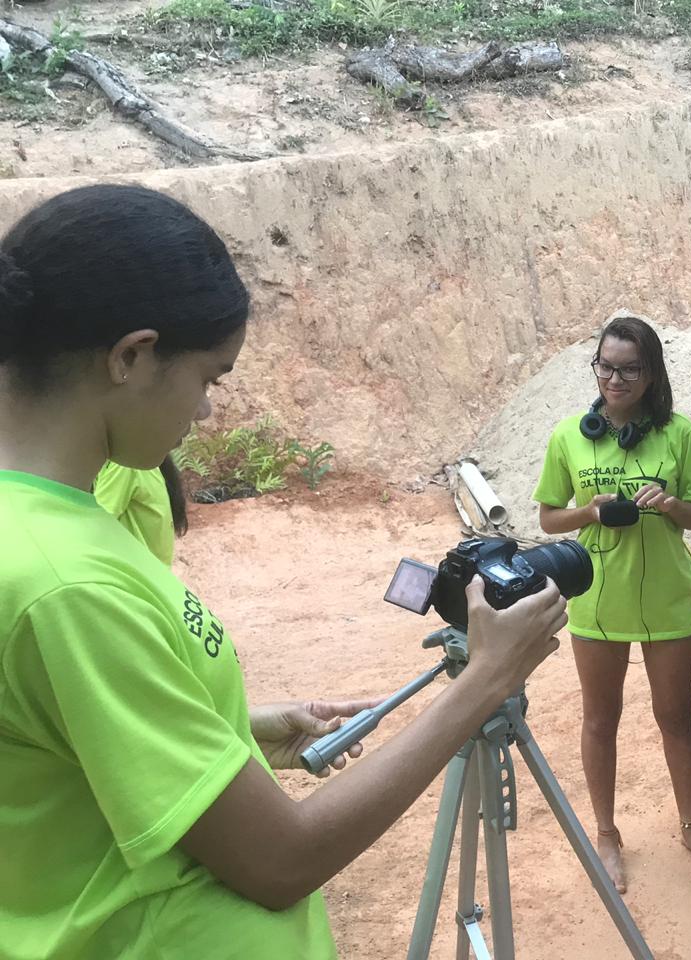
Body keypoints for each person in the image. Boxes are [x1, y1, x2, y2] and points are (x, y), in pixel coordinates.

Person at [0, 184, 567, 960]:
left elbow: (63, 746)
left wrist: (230, 731)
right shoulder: (67, 584)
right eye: (209, 378)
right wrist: (485, 681)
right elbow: (282, 861)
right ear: (131, 356)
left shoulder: (43, 527)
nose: (204, 411)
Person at [533, 312, 691, 894]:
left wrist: (668, 504)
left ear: (651, 375)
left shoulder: (680, 434)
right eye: (605, 368)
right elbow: (549, 519)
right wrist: (590, 511)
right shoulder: (568, 436)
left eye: (628, 370)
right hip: (596, 600)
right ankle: (606, 834)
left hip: (669, 599)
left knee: (675, 717)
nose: (614, 380)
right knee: (601, 720)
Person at [94, 454, 187, 565]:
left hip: (135, 569)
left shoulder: (124, 465)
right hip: (152, 567)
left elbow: (95, 524)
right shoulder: (141, 460)